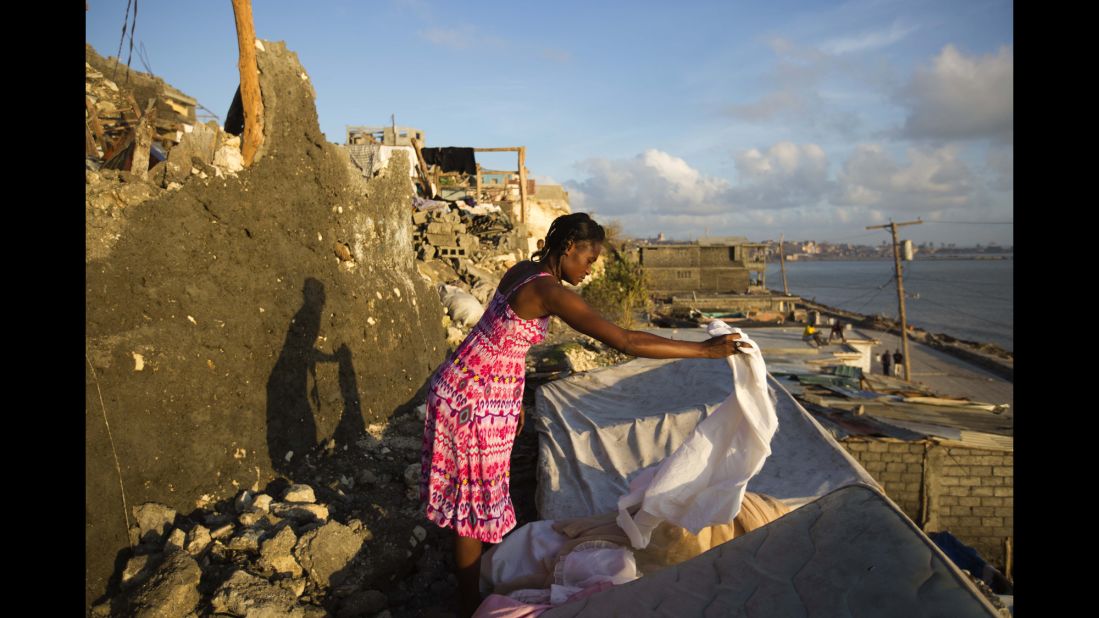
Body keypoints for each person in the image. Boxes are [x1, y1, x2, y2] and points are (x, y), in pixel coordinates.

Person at [419, 213, 750, 616]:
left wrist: (517, 398)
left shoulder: (523, 271)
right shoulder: (551, 292)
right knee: (472, 506)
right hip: (476, 400)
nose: (589, 270)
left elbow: (500, 337)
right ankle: (470, 605)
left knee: (471, 498)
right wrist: (704, 350)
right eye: (587, 261)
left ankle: (481, 579)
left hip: (465, 386)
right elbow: (625, 340)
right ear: (569, 249)